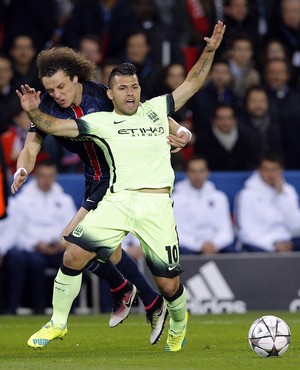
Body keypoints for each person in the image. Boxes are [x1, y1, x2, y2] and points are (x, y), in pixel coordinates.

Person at [17, 20, 226, 351]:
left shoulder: (135, 104)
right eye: (51, 89)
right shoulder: (92, 121)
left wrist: (208, 53)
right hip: (112, 191)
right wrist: (25, 155)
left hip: (152, 202)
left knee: (168, 284)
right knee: (72, 252)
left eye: (134, 87)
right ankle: (63, 320)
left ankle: (158, 305)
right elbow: (47, 130)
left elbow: (188, 87)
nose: (56, 94)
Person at [1, 160, 77, 314]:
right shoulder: (22, 200)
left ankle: (69, 309)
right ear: (35, 177)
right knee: (34, 262)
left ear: (55, 177)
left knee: (73, 260)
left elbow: (71, 229)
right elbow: (16, 231)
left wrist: (61, 244)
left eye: (50, 176)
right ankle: (37, 307)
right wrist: (34, 244)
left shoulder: (65, 200)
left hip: (57, 248)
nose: (46, 180)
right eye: (43, 176)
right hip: (31, 248)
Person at [235, 153, 300, 252]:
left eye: (274, 170)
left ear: (281, 170)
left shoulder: (289, 191)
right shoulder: (246, 195)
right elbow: (245, 233)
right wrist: (272, 245)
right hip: (259, 243)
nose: (271, 174)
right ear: (259, 171)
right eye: (266, 170)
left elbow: (296, 225)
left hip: (287, 240)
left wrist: (281, 196)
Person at [172, 156, 235, 254]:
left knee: (233, 254)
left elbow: (226, 230)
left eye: (201, 171)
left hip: (215, 246)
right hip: (188, 248)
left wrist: (215, 244)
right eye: (193, 171)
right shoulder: (175, 199)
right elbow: (176, 233)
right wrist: (199, 245)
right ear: (187, 173)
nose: (197, 175)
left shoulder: (219, 197)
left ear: (207, 172)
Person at [194, 104, 259, 171]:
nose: (225, 122)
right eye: (221, 118)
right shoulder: (203, 140)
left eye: (229, 118)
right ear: (214, 121)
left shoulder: (247, 138)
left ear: (235, 120)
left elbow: (252, 164)